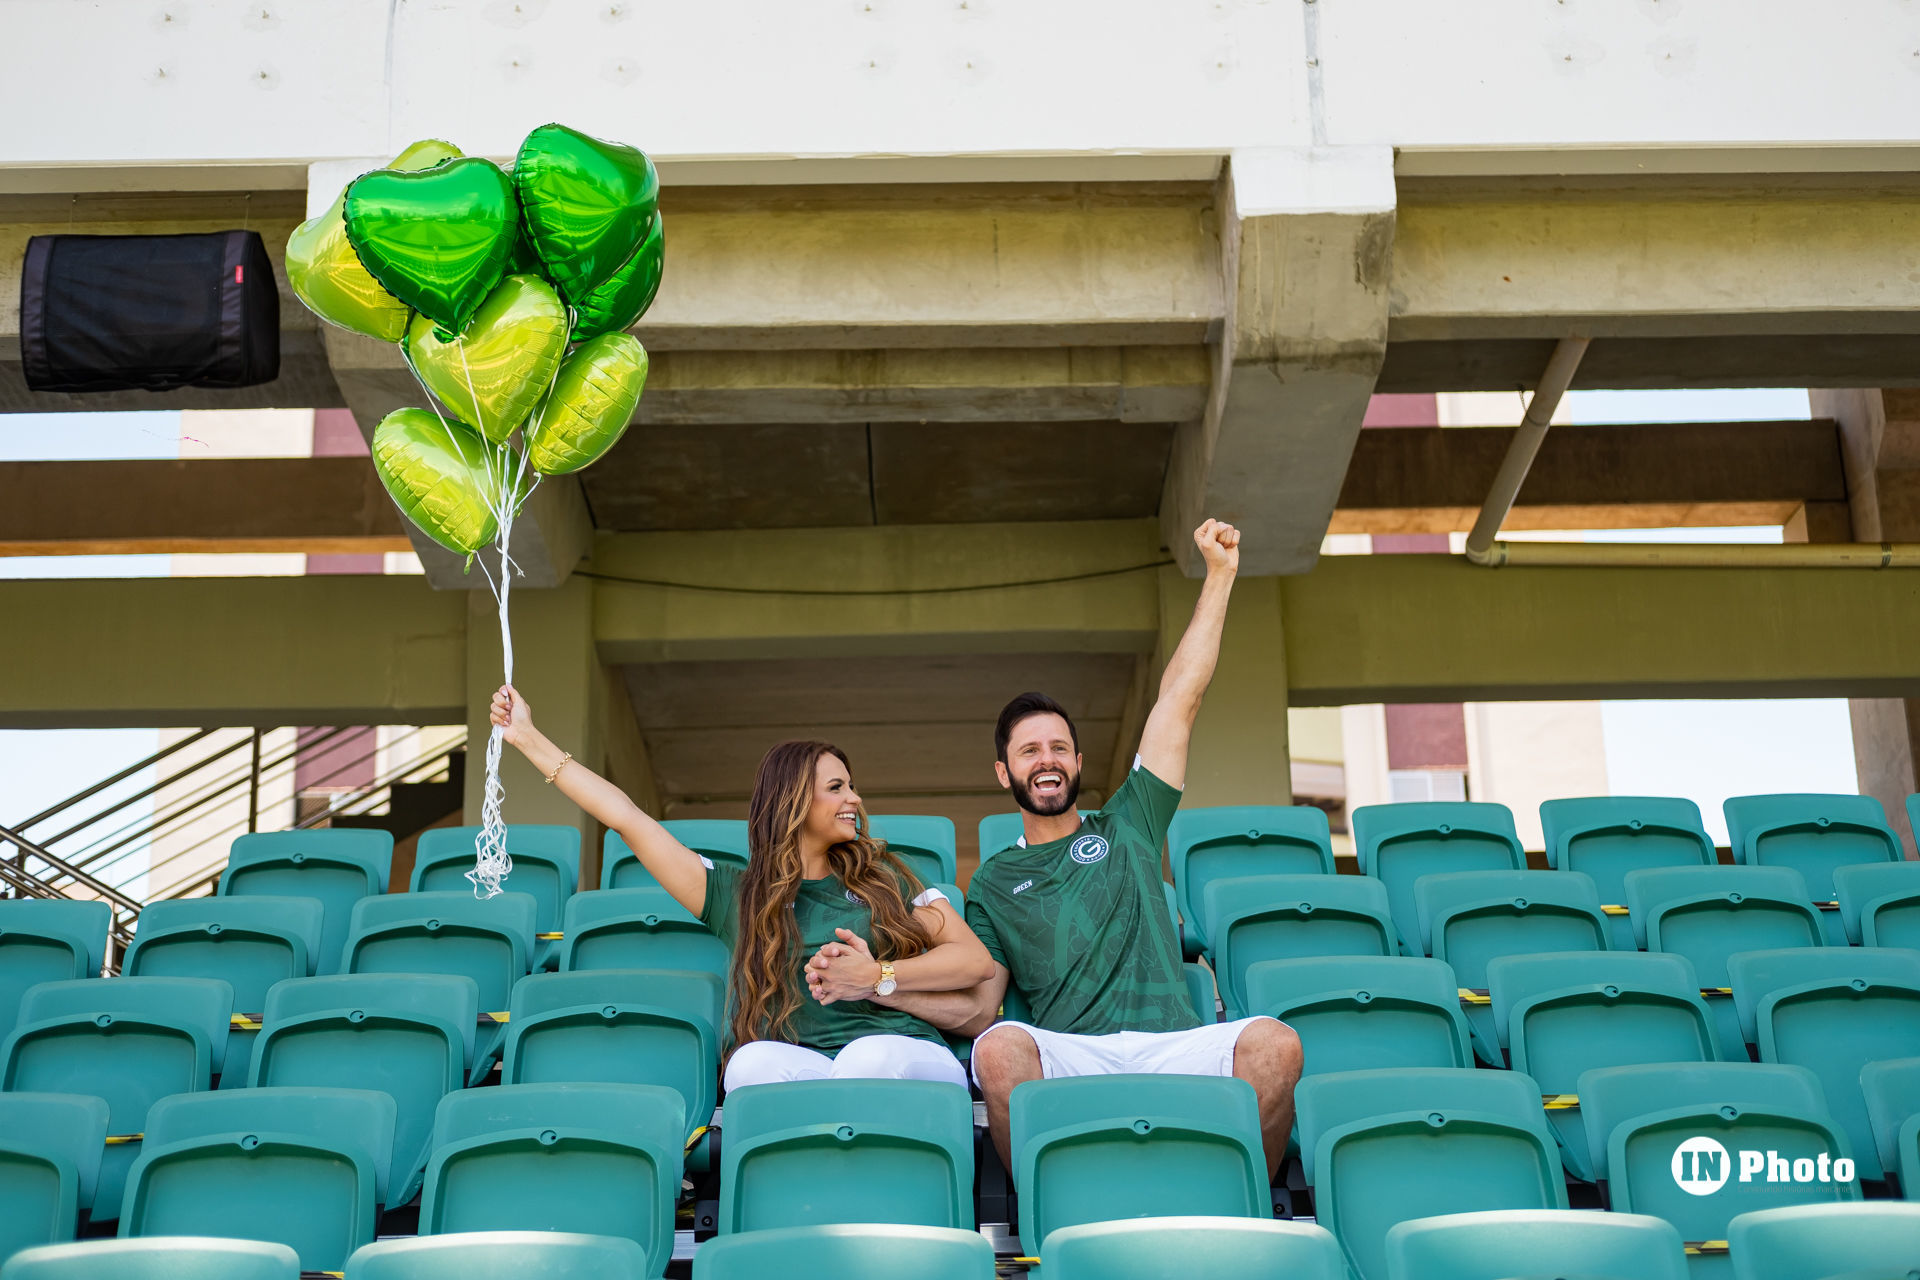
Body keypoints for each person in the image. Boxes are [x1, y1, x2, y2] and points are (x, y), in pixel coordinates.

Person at [804, 519, 1303, 1176]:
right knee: (1000, 1049)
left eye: (1059, 747)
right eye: (1029, 750)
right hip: (1074, 1053)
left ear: (1077, 763)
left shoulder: (1129, 822)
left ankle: (1246, 1200)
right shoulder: (992, 881)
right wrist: (879, 985)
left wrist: (1220, 577)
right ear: (1005, 773)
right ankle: (1049, 1210)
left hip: (1174, 1045)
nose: (1047, 759)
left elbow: (1180, 699)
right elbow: (981, 1006)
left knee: (1276, 1044)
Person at [491, 687, 995, 1091]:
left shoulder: (887, 874)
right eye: (837, 787)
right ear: (793, 801)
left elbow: (973, 962)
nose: (855, 799)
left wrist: (876, 975)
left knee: (869, 1056)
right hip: (805, 1065)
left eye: (851, 785)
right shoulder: (739, 895)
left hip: (902, 1052)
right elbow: (628, 818)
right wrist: (528, 738)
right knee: (749, 1065)